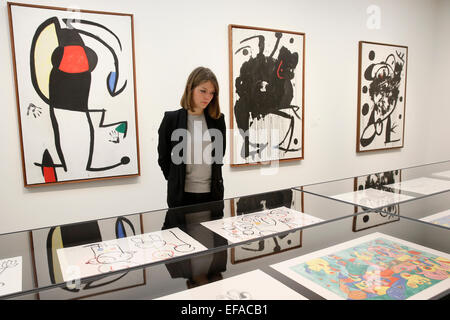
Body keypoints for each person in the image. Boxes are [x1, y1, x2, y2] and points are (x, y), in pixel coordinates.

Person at [157, 66, 226, 209]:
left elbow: (220, 155)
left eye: (212, 93)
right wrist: (174, 179)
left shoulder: (218, 120)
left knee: (212, 232)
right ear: (190, 88)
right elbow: (163, 157)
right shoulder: (171, 119)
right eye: (203, 91)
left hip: (212, 194)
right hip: (181, 195)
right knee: (180, 231)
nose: (208, 97)